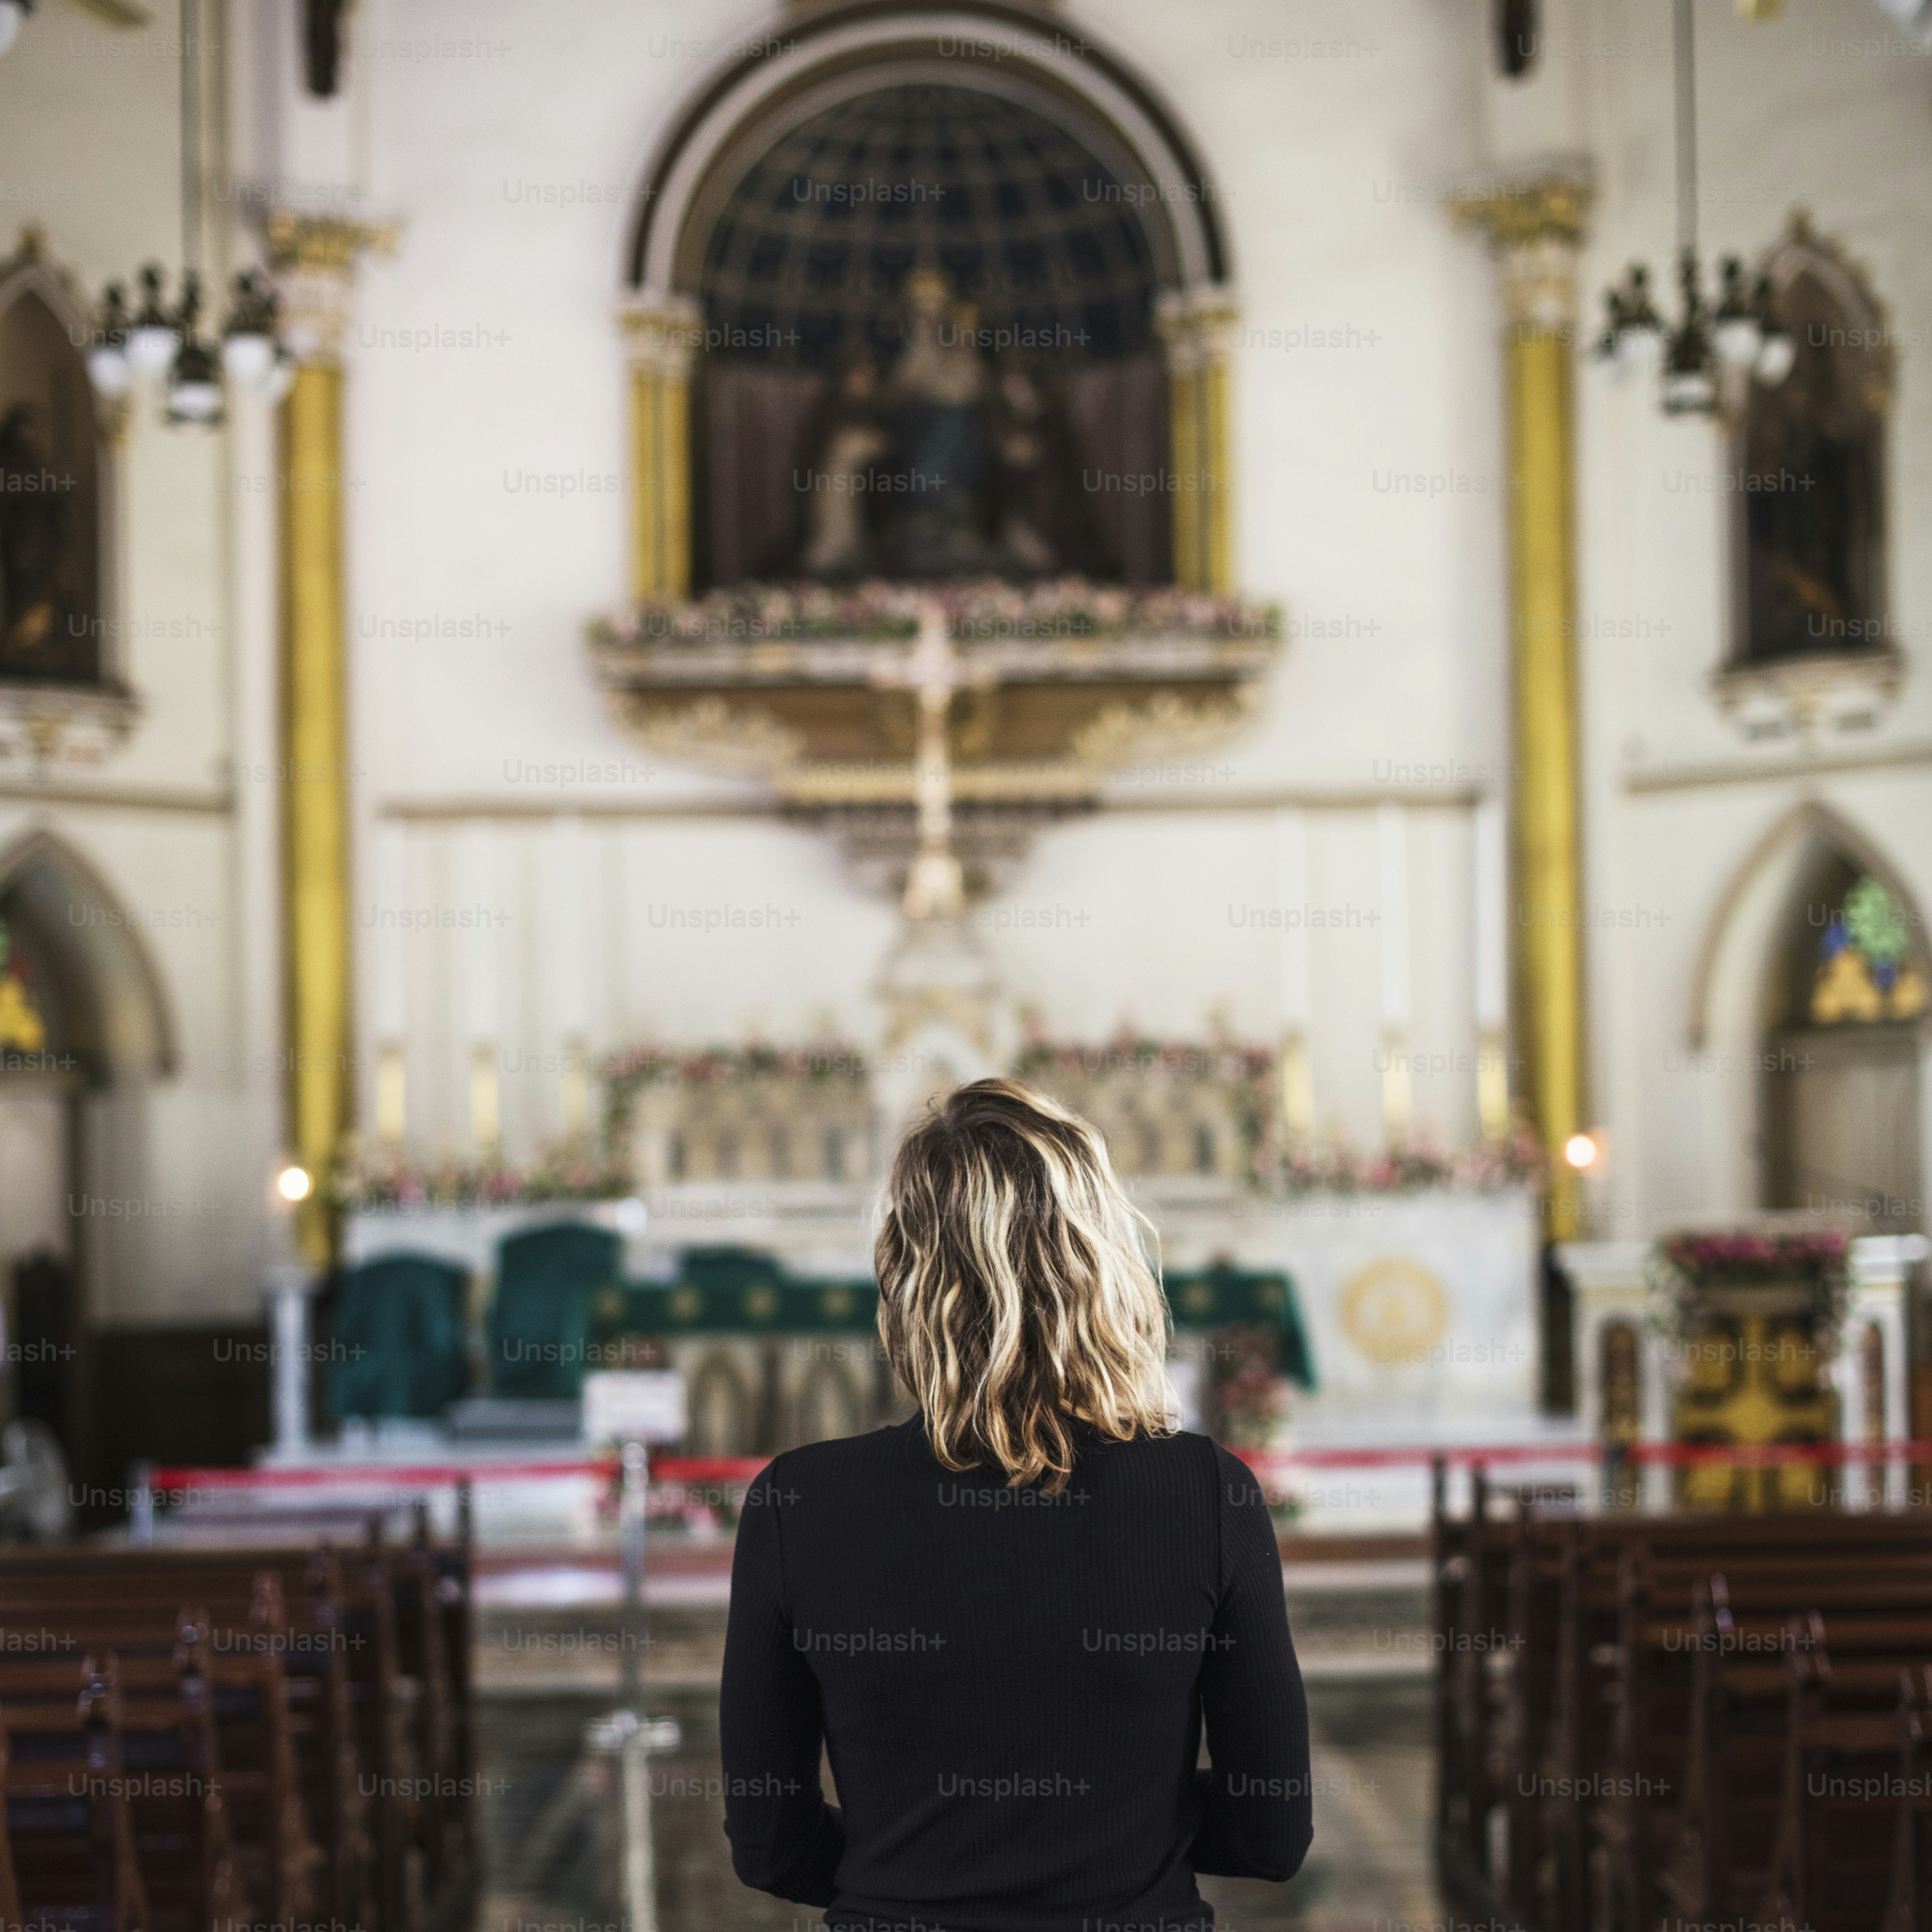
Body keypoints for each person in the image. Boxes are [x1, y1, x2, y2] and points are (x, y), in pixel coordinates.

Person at [720, 1076, 1313, 1932]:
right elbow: (1270, 1834)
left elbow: (770, 1845)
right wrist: (1125, 1826)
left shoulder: (798, 1500)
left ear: (904, 1271)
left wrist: (910, 1862)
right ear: (1097, 1262)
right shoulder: (1206, 1491)